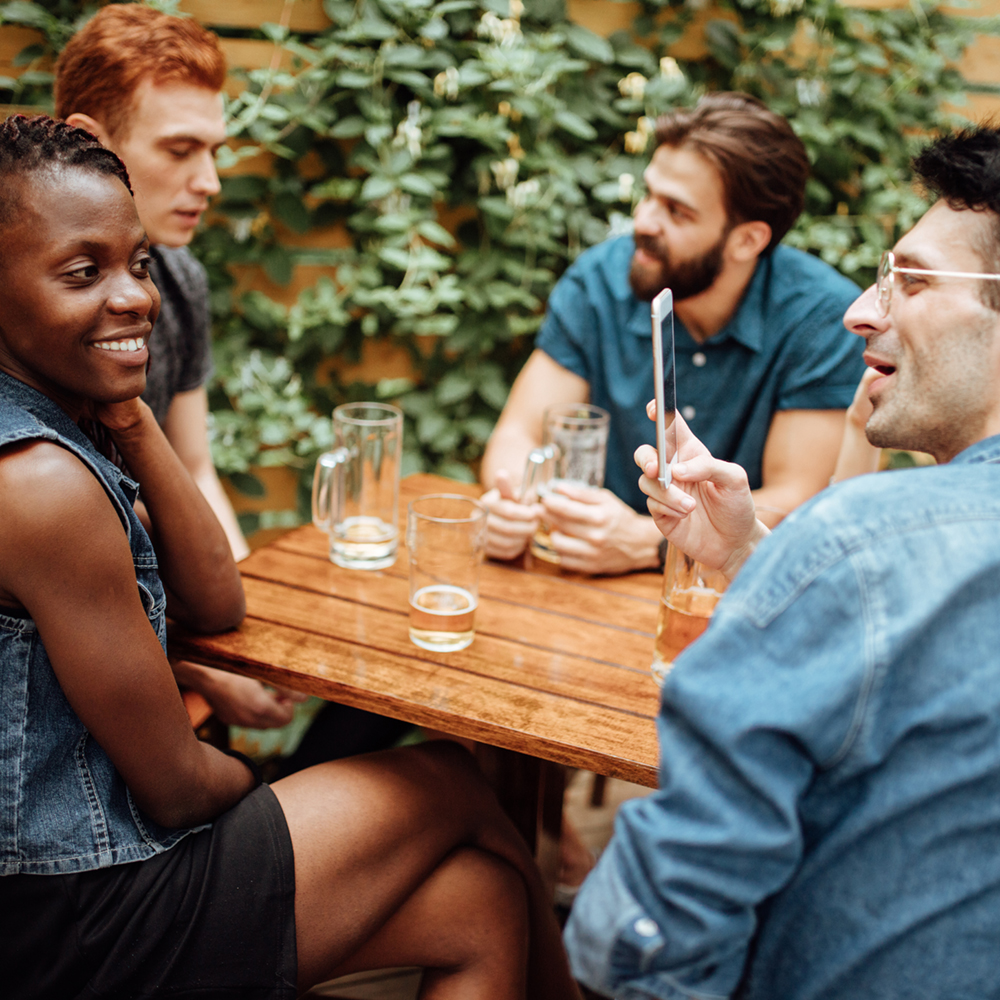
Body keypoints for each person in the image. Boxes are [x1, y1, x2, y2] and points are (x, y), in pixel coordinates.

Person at [0, 114, 581, 1000]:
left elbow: (216, 602)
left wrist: (131, 411)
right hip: (77, 914)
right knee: (448, 779)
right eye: (85, 272)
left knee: (481, 904)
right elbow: (180, 792)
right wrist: (278, 783)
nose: (134, 298)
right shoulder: (39, 484)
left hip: (90, 868)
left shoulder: (61, 420)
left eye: (139, 264)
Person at [563, 124, 1000, 999]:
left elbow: (637, 941)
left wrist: (803, 571)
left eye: (911, 281)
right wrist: (755, 560)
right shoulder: (865, 555)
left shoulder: (863, 550)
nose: (862, 311)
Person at [54, 6, 411, 757]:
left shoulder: (179, 280)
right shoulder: (36, 321)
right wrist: (206, 667)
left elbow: (197, 470)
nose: (210, 181)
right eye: (180, 149)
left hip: (171, 624)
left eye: (215, 150)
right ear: (90, 142)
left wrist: (254, 629)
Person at [481, 92, 866, 575]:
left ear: (748, 239)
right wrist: (512, 506)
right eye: (648, 195)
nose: (643, 221)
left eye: (677, 211)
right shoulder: (600, 279)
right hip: (571, 577)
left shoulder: (821, 318)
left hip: (721, 598)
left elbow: (800, 499)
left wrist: (649, 542)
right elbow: (519, 432)